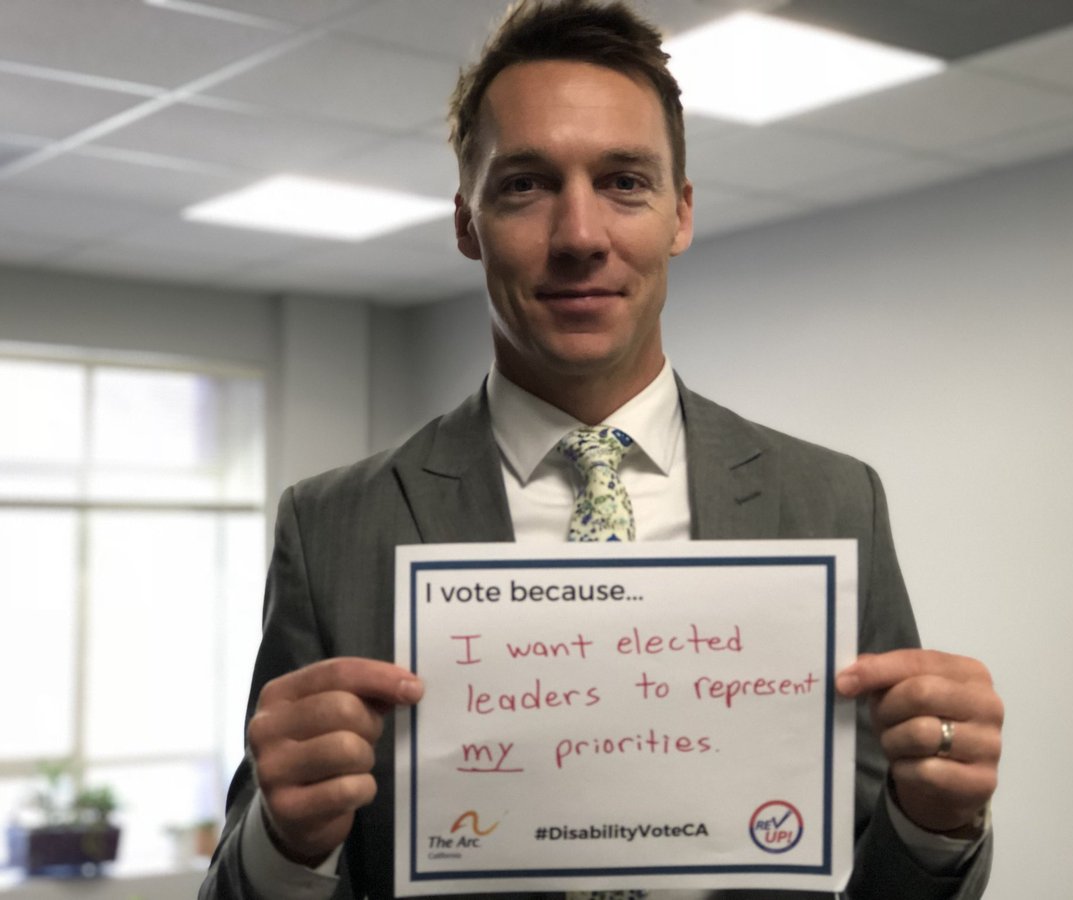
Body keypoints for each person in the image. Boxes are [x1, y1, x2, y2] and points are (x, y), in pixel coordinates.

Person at [201, 2, 1003, 898]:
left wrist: (935, 823)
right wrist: (286, 844)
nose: (580, 236)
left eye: (624, 182)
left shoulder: (834, 502)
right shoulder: (332, 529)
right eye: (525, 185)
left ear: (680, 215)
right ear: (466, 223)